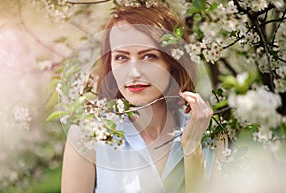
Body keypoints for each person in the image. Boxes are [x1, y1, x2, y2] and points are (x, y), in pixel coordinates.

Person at [61, 4, 217, 193]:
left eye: (149, 56)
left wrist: (193, 149)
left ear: (173, 63)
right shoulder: (87, 136)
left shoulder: (210, 135)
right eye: (121, 58)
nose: (133, 73)